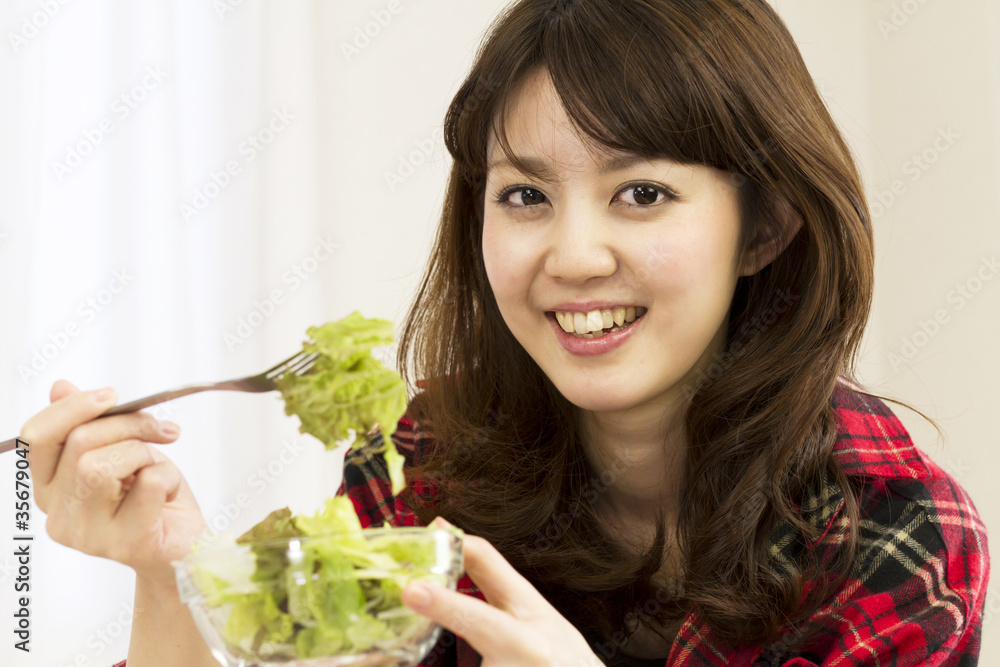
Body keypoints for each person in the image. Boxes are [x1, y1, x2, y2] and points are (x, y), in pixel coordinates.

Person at [19, 0, 988, 665]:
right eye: (524, 193)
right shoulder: (420, 459)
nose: (570, 255)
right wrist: (174, 571)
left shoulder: (896, 536)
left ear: (764, 227)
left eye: (641, 193)